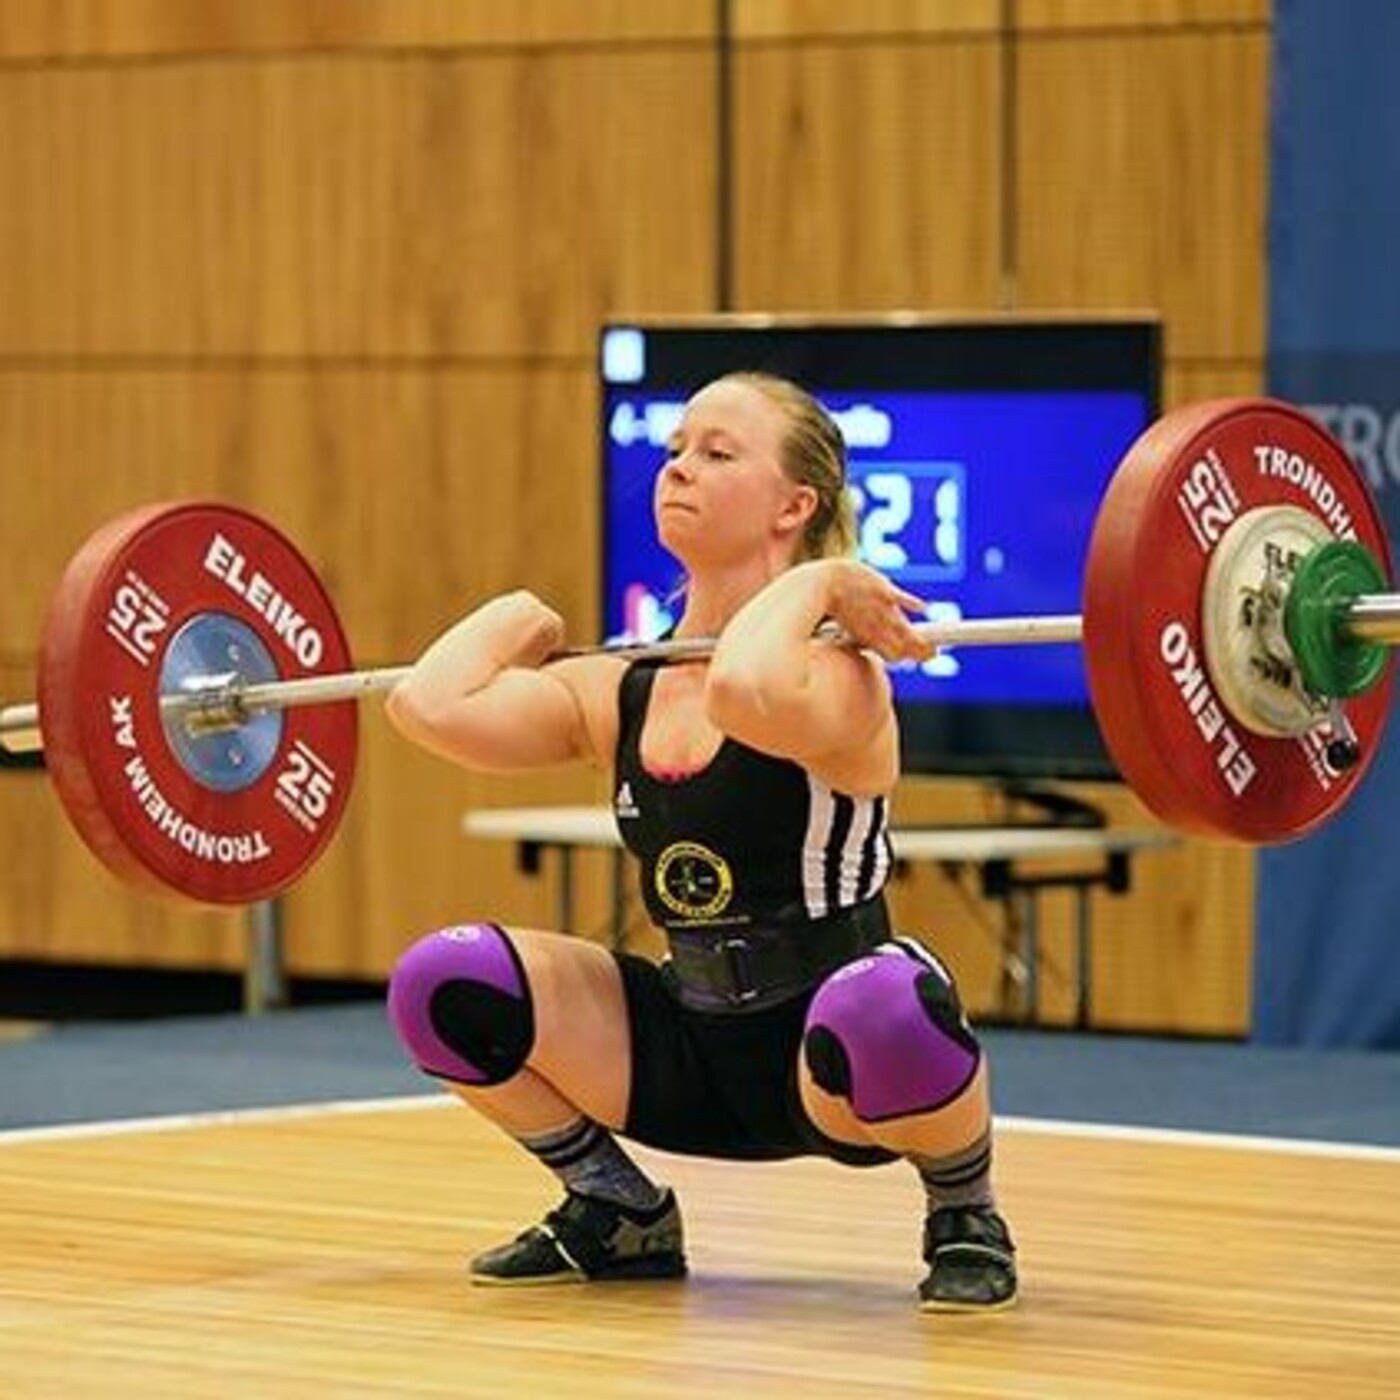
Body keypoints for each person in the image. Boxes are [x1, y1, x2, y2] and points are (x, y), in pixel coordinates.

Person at [383, 370, 1017, 1312]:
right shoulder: (625, 684)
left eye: (717, 453)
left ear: (794, 506)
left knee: (890, 1000)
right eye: (675, 449)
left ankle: (965, 1210)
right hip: (685, 1046)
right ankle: (617, 1208)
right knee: (444, 982)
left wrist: (817, 582)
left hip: (830, 1057)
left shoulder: (843, 679)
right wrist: (519, 614)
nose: (678, 468)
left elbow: (745, 690)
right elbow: (426, 706)